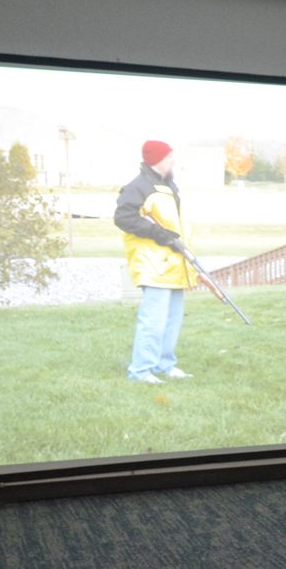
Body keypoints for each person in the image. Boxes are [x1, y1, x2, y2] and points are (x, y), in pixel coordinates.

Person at [114, 139, 194, 385]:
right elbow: (123, 218)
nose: (173, 161)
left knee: (172, 318)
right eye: (169, 157)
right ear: (157, 160)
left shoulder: (169, 185)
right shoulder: (138, 187)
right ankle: (140, 371)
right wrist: (161, 235)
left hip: (174, 263)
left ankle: (164, 364)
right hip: (153, 264)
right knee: (153, 320)